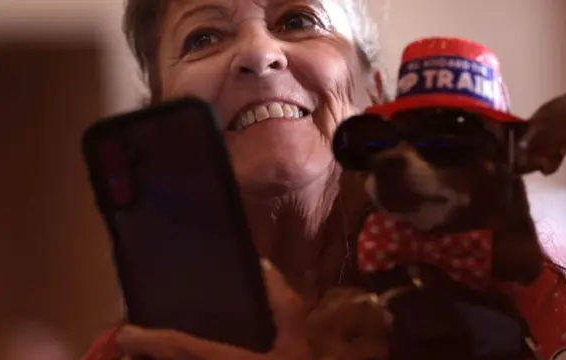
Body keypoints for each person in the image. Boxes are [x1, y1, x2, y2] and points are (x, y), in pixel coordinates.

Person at [82, 0, 386, 359]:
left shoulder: (460, 297)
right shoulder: (128, 354)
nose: (259, 53)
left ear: (376, 92)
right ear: (159, 117)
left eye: (298, 19)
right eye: (203, 38)